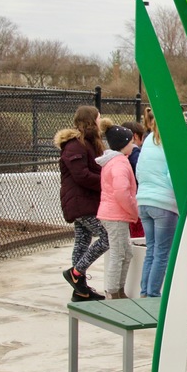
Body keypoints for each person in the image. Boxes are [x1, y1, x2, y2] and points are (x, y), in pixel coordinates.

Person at [54, 105, 109, 301]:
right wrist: (106, 180)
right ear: (90, 120)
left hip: (84, 201)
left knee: (82, 241)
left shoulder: (88, 144)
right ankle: (76, 273)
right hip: (80, 202)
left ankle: (80, 291)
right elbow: (81, 175)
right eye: (98, 118)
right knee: (106, 237)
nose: (99, 122)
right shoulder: (75, 145)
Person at [136, 108, 178, 298]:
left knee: (151, 250)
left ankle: (145, 291)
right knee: (162, 253)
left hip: (144, 200)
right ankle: (153, 294)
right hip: (163, 203)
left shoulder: (148, 141)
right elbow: (173, 177)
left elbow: (140, 171)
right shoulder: (172, 143)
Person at [96, 121, 138, 299]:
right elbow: (121, 192)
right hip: (116, 215)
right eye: (130, 142)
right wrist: (133, 210)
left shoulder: (116, 161)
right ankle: (113, 292)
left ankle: (119, 289)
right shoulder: (119, 164)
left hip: (114, 213)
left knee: (125, 253)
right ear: (123, 145)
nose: (133, 145)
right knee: (118, 253)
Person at [122, 121, 146, 238]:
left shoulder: (119, 156)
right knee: (139, 235)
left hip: (125, 204)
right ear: (136, 136)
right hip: (136, 199)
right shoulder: (135, 154)